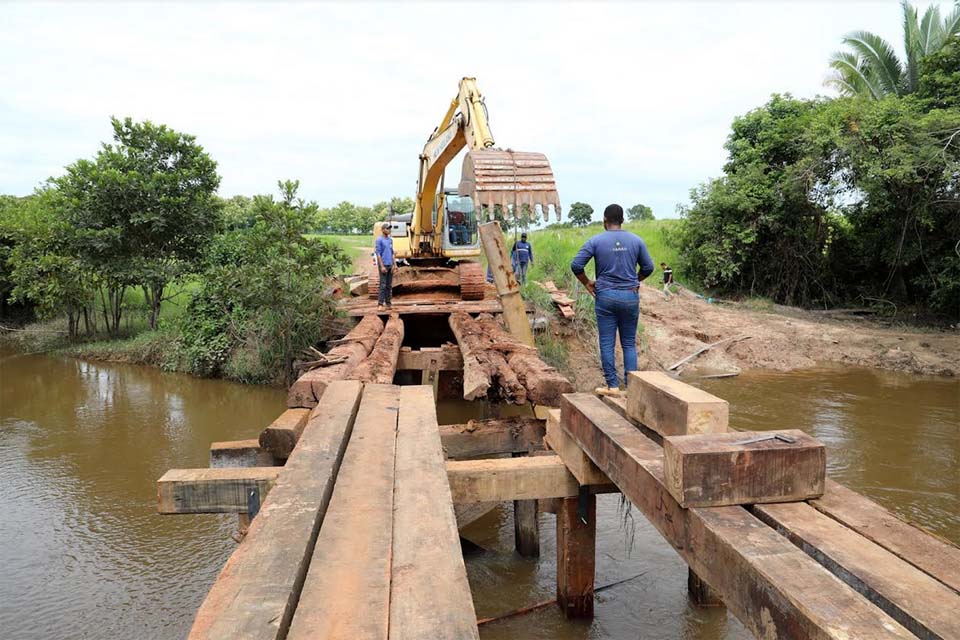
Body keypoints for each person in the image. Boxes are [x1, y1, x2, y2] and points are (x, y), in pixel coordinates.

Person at [570, 204, 654, 392]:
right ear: (622, 221)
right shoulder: (636, 240)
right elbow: (648, 268)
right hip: (630, 296)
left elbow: (576, 265)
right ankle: (632, 389)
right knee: (629, 344)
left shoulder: (595, 241)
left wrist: (587, 283)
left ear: (604, 221)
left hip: (605, 297)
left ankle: (612, 387)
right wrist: (634, 280)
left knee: (607, 342)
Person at [375, 223, 396, 311]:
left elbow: (392, 253)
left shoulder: (390, 240)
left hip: (390, 265)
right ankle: (380, 304)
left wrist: (395, 265)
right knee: (383, 285)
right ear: (383, 230)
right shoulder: (379, 240)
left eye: (389, 229)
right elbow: (378, 254)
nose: (389, 230)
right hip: (383, 266)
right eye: (387, 228)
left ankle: (388, 303)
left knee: (389, 285)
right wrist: (382, 266)